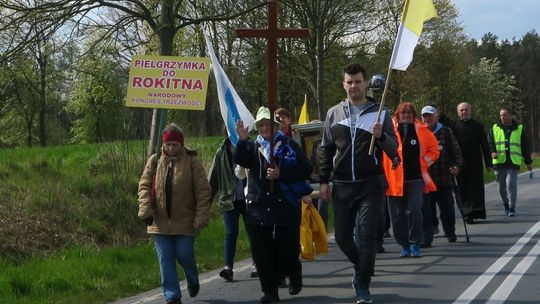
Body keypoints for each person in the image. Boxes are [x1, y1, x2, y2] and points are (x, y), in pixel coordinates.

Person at [319, 63, 398, 304]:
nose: (354, 86)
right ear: (344, 84)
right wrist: (323, 181)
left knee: (366, 236)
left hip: (370, 184)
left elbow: (394, 149)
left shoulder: (381, 111)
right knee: (342, 237)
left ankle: (362, 284)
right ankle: (362, 267)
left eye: (358, 82)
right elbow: (325, 149)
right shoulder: (334, 113)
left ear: (365, 83)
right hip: (342, 185)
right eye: (349, 82)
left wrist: (381, 136)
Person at [234, 106, 313, 303]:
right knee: (261, 253)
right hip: (258, 208)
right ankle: (269, 291)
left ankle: (293, 271)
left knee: (287, 251)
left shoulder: (287, 145)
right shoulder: (252, 147)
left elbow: (306, 169)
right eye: (260, 125)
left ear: (275, 125)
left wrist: (281, 174)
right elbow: (240, 160)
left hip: (285, 206)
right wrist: (243, 140)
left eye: (267, 124)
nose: (263, 128)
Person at [138, 123, 211, 304]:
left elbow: (203, 191)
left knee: (184, 254)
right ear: (163, 144)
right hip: (159, 221)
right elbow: (144, 186)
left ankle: (192, 279)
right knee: (165, 257)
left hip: (185, 220)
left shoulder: (192, 161)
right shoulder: (155, 161)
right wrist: (145, 210)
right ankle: (172, 295)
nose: (171, 148)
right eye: (168, 144)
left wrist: (201, 216)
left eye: (175, 145)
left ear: (181, 144)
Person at [382, 102, 439, 258]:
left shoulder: (422, 130)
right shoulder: (388, 130)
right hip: (394, 180)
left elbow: (434, 150)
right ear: (398, 114)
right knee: (397, 214)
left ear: (413, 115)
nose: (406, 115)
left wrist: (424, 162)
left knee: (414, 210)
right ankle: (404, 244)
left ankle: (415, 242)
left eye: (409, 113)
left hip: (415, 178)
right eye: (403, 113)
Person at [208, 128, 256, 281]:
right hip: (229, 199)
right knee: (231, 232)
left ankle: (257, 263)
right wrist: (204, 206)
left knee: (253, 232)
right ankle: (228, 267)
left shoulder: (252, 147)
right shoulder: (220, 153)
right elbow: (212, 182)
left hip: (250, 198)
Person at [421, 105, 463, 246]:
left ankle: (449, 231)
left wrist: (457, 166)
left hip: (444, 178)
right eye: (425, 116)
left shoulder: (445, 131)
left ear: (437, 117)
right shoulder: (419, 132)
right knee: (426, 210)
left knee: (447, 209)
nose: (427, 119)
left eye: (430, 116)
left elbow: (457, 152)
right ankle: (428, 236)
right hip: (426, 179)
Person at [487, 108, 533, 216]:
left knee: (511, 185)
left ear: (511, 115)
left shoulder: (519, 129)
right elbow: (489, 142)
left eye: (505, 115)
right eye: (501, 115)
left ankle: (512, 208)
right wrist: (492, 151)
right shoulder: (494, 128)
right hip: (499, 162)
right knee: (501, 187)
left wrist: (528, 162)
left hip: (513, 162)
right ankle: (506, 204)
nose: (503, 117)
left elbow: (525, 146)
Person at [452, 102, 492, 224]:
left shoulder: (478, 126)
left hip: (475, 162)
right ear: (458, 112)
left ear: (470, 110)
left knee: (476, 188)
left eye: (466, 109)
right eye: (461, 110)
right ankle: (467, 213)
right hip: (460, 162)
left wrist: (488, 163)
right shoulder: (454, 127)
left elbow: (485, 146)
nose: (464, 112)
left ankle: (476, 211)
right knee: (463, 188)